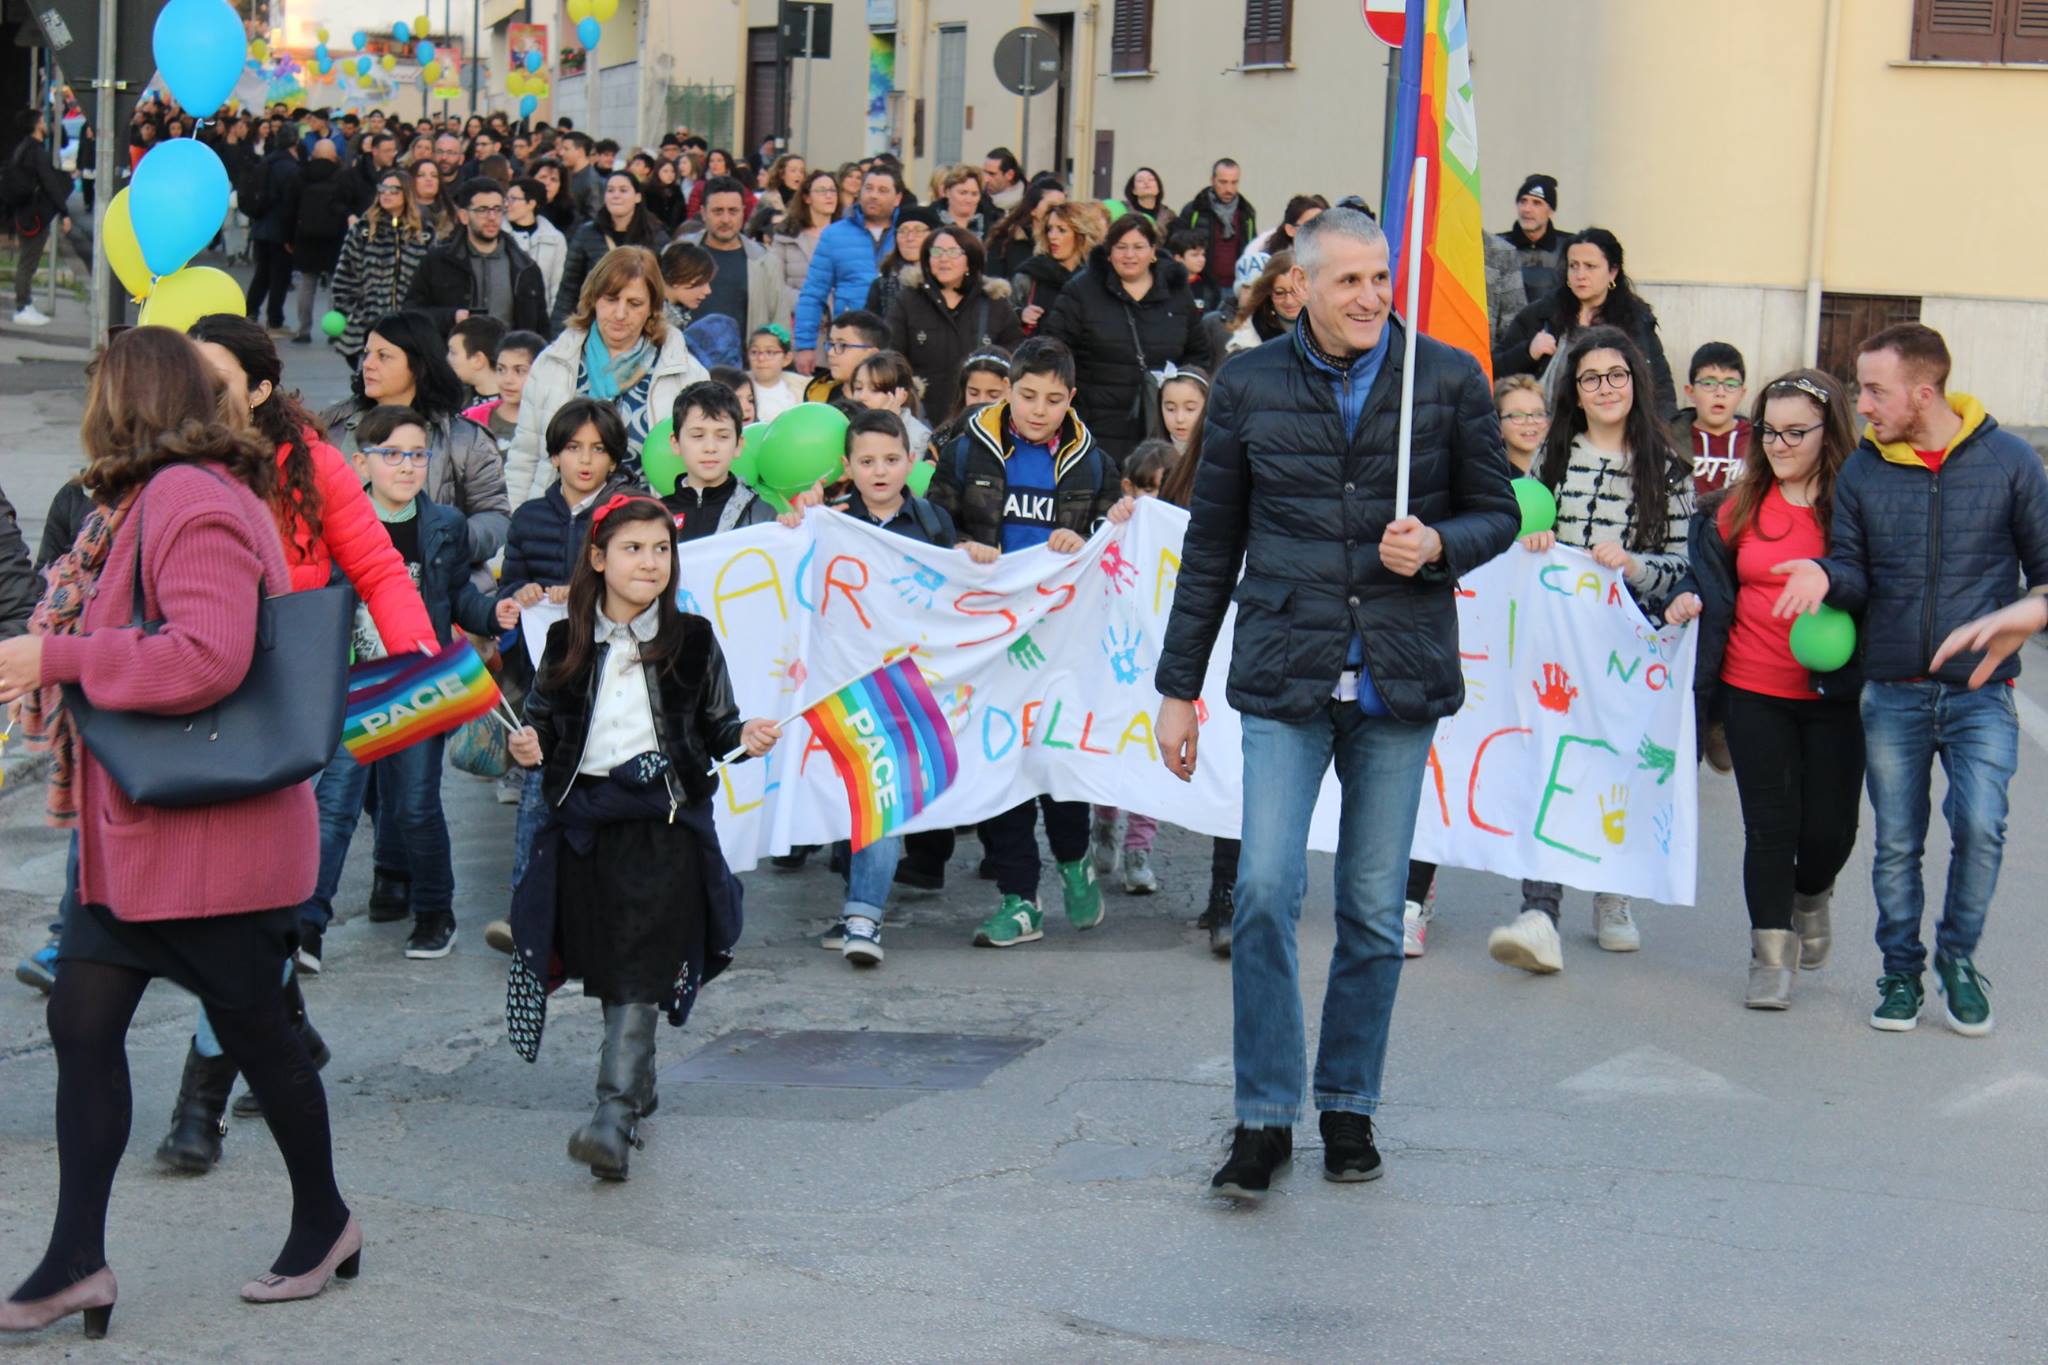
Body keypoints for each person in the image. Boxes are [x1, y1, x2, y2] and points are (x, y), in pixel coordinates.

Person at [1154, 207, 1519, 1200]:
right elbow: (1210, 541)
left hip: (1398, 679)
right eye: (1347, 280)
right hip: (1284, 672)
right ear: (1299, 286)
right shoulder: (1248, 383)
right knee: (1265, 892)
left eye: (1380, 279)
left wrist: (1439, 545)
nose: (1368, 297)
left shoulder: (1442, 380)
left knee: (1371, 908)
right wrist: (1174, 687)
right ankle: (1263, 1117)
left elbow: (1499, 509)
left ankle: (1347, 1103)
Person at [0, 328, 360, 1336]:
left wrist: (59, 658)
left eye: (97, 385)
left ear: (131, 400)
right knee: (82, 1024)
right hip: (148, 840)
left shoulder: (192, 499)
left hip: (212, 848)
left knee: (262, 1038)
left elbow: (205, 656)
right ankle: (76, 1263)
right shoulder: (146, 500)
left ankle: (325, 1221)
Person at [1771, 323, 2048, 1035]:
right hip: (1890, 689)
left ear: (1923, 394)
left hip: (1982, 690)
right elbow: (1857, 572)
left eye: (1873, 390)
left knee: (1981, 827)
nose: (1860, 404)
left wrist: (2029, 611)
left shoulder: (2012, 461)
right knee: (1897, 840)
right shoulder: (1863, 470)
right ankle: (1900, 971)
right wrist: (1826, 573)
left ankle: (1957, 958)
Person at [505, 493, 778, 1181]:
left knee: (640, 965)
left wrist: (742, 739)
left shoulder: (692, 637)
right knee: (612, 962)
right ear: (598, 558)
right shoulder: (565, 642)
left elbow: (718, 728)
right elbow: (541, 723)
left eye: (661, 549)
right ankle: (640, 1083)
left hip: (666, 825)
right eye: (633, 548)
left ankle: (612, 1115)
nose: (649, 562)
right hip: (587, 826)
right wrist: (527, 745)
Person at [1487, 325, 1693, 974]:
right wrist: (1530, 542)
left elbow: (1682, 566)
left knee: (1618, 761)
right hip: (1555, 639)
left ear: (1636, 381)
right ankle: (1540, 911)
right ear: (1574, 389)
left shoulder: (1669, 467)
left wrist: (1634, 565)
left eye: (1617, 375)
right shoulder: (1551, 456)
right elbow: (1517, 524)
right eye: (1590, 378)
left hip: (1630, 643)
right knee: (1549, 759)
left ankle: (1613, 892)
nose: (1605, 388)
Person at [1668, 370, 1863, 1009]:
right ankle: (1769, 954)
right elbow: (1697, 572)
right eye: (1769, 432)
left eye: (1794, 433)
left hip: (1835, 695)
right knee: (1770, 825)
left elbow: (1876, 577)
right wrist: (1681, 597)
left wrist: (1829, 576)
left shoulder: (1856, 503)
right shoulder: (1739, 502)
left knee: (1830, 830)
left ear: (1828, 432)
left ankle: (1813, 895)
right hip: (1752, 687)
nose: (1778, 445)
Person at [928, 338, 1122, 946]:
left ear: (1072, 399)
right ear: (1008, 389)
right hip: (986, 638)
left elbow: (1118, 533)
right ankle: (1019, 898)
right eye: (1027, 395)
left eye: (1054, 399)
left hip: (1060, 639)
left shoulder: (1093, 463)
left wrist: (1090, 532)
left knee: (1053, 760)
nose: (1038, 410)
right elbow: (935, 523)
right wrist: (961, 546)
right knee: (996, 762)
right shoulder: (963, 453)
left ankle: (1073, 860)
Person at [799, 409, 959, 963]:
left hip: (910, 688)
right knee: (852, 802)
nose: (880, 471)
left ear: (910, 464)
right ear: (847, 467)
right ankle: (856, 905)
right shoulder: (832, 520)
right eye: (866, 461)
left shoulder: (935, 522)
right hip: (843, 682)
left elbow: (957, 587)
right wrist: (797, 527)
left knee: (881, 798)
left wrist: (976, 560)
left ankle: (864, 916)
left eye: (891, 460)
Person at [510, 246, 708, 501]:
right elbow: (524, 457)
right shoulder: (552, 364)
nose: (620, 314)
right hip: (559, 523)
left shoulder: (686, 374)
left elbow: (704, 466)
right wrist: (519, 524)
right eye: (611, 299)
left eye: (634, 303)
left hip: (647, 524)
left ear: (652, 307)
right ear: (593, 299)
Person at [318, 310, 511, 563]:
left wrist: (441, 542)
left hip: (442, 588)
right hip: (348, 579)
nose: (368, 364)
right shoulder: (334, 427)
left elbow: (494, 516)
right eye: (367, 354)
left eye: (383, 356)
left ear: (418, 365)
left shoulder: (464, 438)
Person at [1041, 212, 1214, 465]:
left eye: (1138, 247)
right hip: (1095, 423)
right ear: (1109, 252)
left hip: (1161, 426)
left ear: (1153, 251)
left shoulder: (1176, 291)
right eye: (1121, 247)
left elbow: (1198, 352)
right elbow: (1055, 350)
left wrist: (1179, 394)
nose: (1129, 255)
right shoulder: (1081, 290)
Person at [1089, 439, 1175, 895]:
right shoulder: (1117, 526)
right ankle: (1103, 824)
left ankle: (1140, 850)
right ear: (1128, 488)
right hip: (1116, 661)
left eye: (1164, 491)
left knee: (1150, 758)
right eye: (1146, 490)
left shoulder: (1183, 532)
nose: (1153, 502)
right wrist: (1114, 523)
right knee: (1111, 749)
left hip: (1160, 667)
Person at [1493, 227, 1677, 418]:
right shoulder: (1541, 315)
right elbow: (1493, 371)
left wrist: (1658, 440)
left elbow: (1660, 388)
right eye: (1573, 266)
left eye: (1590, 266)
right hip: (1544, 434)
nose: (1580, 275)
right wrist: (1528, 353)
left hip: (1617, 436)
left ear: (1612, 272)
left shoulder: (1635, 322)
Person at [885, 225, 1025, 427]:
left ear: (970, 260)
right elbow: (892, 355)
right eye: (936, 252)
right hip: (921, 416)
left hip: (981, 416)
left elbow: (1014, 354)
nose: (943, 258)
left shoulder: (994, 303)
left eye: (953, 252)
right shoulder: (908, 300)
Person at [405, 178, 550, 337]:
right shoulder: (437, 262)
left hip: (507, 358)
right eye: (482, 209)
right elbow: (412, 313)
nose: (492, 217)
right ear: (464, 216)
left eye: (497, 209)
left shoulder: (525, 267)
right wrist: (452, 317)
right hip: (450, 356)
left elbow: (541, 329)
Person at [793, 165, 902, 374]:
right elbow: (813, 293)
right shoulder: (834, 235)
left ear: (897, 198)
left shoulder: (908, 235)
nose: (873, 196)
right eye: (868, 188)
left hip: (896, 341)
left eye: (882, 190)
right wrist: (805, 346)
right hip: (849, 343)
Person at [330, 169, 432, 366]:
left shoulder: (424, 234)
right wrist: (347, 311)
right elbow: (345, 274)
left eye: (394, 190)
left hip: (409, 325)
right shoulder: (363, 230)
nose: (386, 194)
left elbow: (431, 280)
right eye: (383, 189)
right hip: (368, 324)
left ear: (407, 194)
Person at [553, 171, 670, 329]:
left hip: (638, 326)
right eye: (610, 190)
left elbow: (662, 289)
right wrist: (559, 331)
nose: (616, 195)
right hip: (593, 324)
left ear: (637, 196)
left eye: (623, 190)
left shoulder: (656, 237)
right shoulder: (587, 233)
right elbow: (569, 288)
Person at [662, 380, 778, 539]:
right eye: (697, 436)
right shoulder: (656, 516)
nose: (710, 447)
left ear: (738, 445)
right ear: (676, 443)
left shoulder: (760, 513)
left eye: (723, 436)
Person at [7, 110, 90, 328]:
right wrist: (64, 213)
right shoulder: (35, 152)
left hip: (23, 214)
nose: (46, 124)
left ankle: (24, 303)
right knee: (28, 262)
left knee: (27, 261)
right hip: (33, 217)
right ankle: (22, 306)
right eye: (43, 121)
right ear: (36, 125)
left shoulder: (22, 149)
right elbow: (50, 183)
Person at [681, 175, 791, 333]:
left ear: (743, 212)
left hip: (746, 356)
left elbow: (780, 322)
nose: (726, 219)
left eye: (733, 211)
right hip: (685, 355)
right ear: (703, 213)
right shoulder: (680, 253)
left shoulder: (765, 261)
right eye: (718, 211)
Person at [285, 141, 350, 344]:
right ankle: (334, 330)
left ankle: (304, 329)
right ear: (334, 155)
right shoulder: (342, 176)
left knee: (307, 283)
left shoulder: (301, 176)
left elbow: (290, 208)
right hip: (335, 237)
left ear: (314, 154)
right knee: (335, 285)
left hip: (306, 237)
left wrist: (289, 237)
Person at [1010, 199, 1103, 336]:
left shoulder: (1095, 278)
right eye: (1049, 229)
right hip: (1035, 353)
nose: (1052, 236)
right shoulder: (1029, 274)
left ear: (1080, 235)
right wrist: (1020, 314)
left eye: (1061, 230)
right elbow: (1003, 318)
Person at [1672, 341, 1751, 497]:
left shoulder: (1758, 442)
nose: (1720, 392)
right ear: (1690, 391)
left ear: (1742, 393)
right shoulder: (1670, 440)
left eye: (1731, 384)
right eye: (1708, 383)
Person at [1176, 158, 1257, 299]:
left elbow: (1252, 247)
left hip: (1237, 287)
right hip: (1202, 286)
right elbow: (1177, 246)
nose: (1229, 189)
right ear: (1212, 180)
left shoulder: (1246, 212)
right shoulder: (1194, 210)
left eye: (1234, 182)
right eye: (1223, 182)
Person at [245, 136, 303, 331]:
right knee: (279, 277)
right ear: (294, 145)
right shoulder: (292, 169)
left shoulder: (266, 162)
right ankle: (275, 319)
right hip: (279, 229)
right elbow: (290, 205)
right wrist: (290, 237)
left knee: (261, 273)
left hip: (261, 226)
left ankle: (250, 311)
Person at [766, 168, 839, 308]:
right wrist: (808, 304)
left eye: (833, 190)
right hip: (796, 316)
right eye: (822, 191)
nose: (829, 195)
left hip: (838, 319)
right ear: (807, 198)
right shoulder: (787, 236)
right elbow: (774, 283)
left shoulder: (848, 236)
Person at [464, 328, 544, 453]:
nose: (507, 380)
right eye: (501, 369)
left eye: (519, 371)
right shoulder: (471, 420)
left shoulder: (551, 423)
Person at [1496, 173, 1570, 302]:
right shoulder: (1498, 246)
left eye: (1537, 203)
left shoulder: (1569, 248)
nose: (1527, 209)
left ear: (1551, 211)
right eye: (1523, 201)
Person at [1217, 249, 1304, 358]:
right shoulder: (1247, 334)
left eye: (1296, 291)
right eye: (1279, 292)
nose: (1289, 300)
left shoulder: (1327, 326)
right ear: (1268, 292)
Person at [983, 173, 1065, 283]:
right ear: (1033, 209)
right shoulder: (1005, 240)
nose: (1057, 213)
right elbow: (993, 283)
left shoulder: (1065, 244)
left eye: (1063, 209)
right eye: (1052, 207)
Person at [847, 350, 934, 453]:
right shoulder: (844, 424)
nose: (862, 396)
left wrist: (885, 424)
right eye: (858, 388)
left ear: (900, 396)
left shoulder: (919, 438)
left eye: (875, 390)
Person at [859, 204, 936, 320]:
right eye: (903, 231)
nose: (909, 238)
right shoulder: (882, 285)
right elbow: (870, 330)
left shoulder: (946, 280)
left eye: (918, 230)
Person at [505, 176, 569, 311]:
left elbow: (556, 286)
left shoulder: (555, 239)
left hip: (539, 316)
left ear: (531, 204)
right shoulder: (500, 234)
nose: (507, 204)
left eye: (514, 199)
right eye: (506, 198)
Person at [804, 308, 886, 405]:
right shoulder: (817, 397)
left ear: (872, 354)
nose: (830, 352)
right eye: (831, 344)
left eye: (842, 345)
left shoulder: (892, 402)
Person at [745, 325, 805, 422]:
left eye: (769, 352)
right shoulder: (739, 387)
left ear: (787, 358)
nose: (760, 358)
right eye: (754, 352)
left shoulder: (800, 390)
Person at [447, 314, 507, 403]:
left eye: (453, 353)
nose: (448, 358)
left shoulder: (510, 410)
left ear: (478, 359)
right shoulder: (459, 398)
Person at [1166, 229, 1222, 315]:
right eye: (1195, 255)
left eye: (1203, 254)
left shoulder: (1210, 287)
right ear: (1178, 258)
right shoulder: (1165, 284)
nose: (1201, 259)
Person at [1122, 166, 1177, 237]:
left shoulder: (1169, 215)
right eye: (1140, 180)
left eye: (1151, 179)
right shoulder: (1123, 210)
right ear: (1133, 190)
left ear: (1158, 189)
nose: (1146, 182)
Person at [981, 147, 1024, 213]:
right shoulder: (978, 201)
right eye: (985, 173)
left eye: (992, 174)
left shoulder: (1029, 204)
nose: (986, 179)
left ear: (1010, 175)